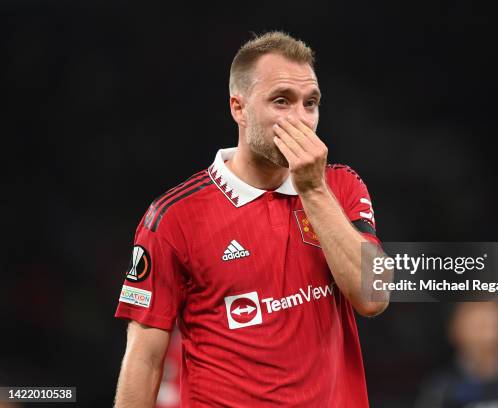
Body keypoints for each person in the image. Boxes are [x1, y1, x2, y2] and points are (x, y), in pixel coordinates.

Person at [114, 31, 390, 407]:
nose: (301, 119)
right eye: (281, 101)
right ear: (238, 108)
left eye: (310, 103)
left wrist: (313, 190)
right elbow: (145, 358)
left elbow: (374, 297)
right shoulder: (173, 217)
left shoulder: (339, 186)